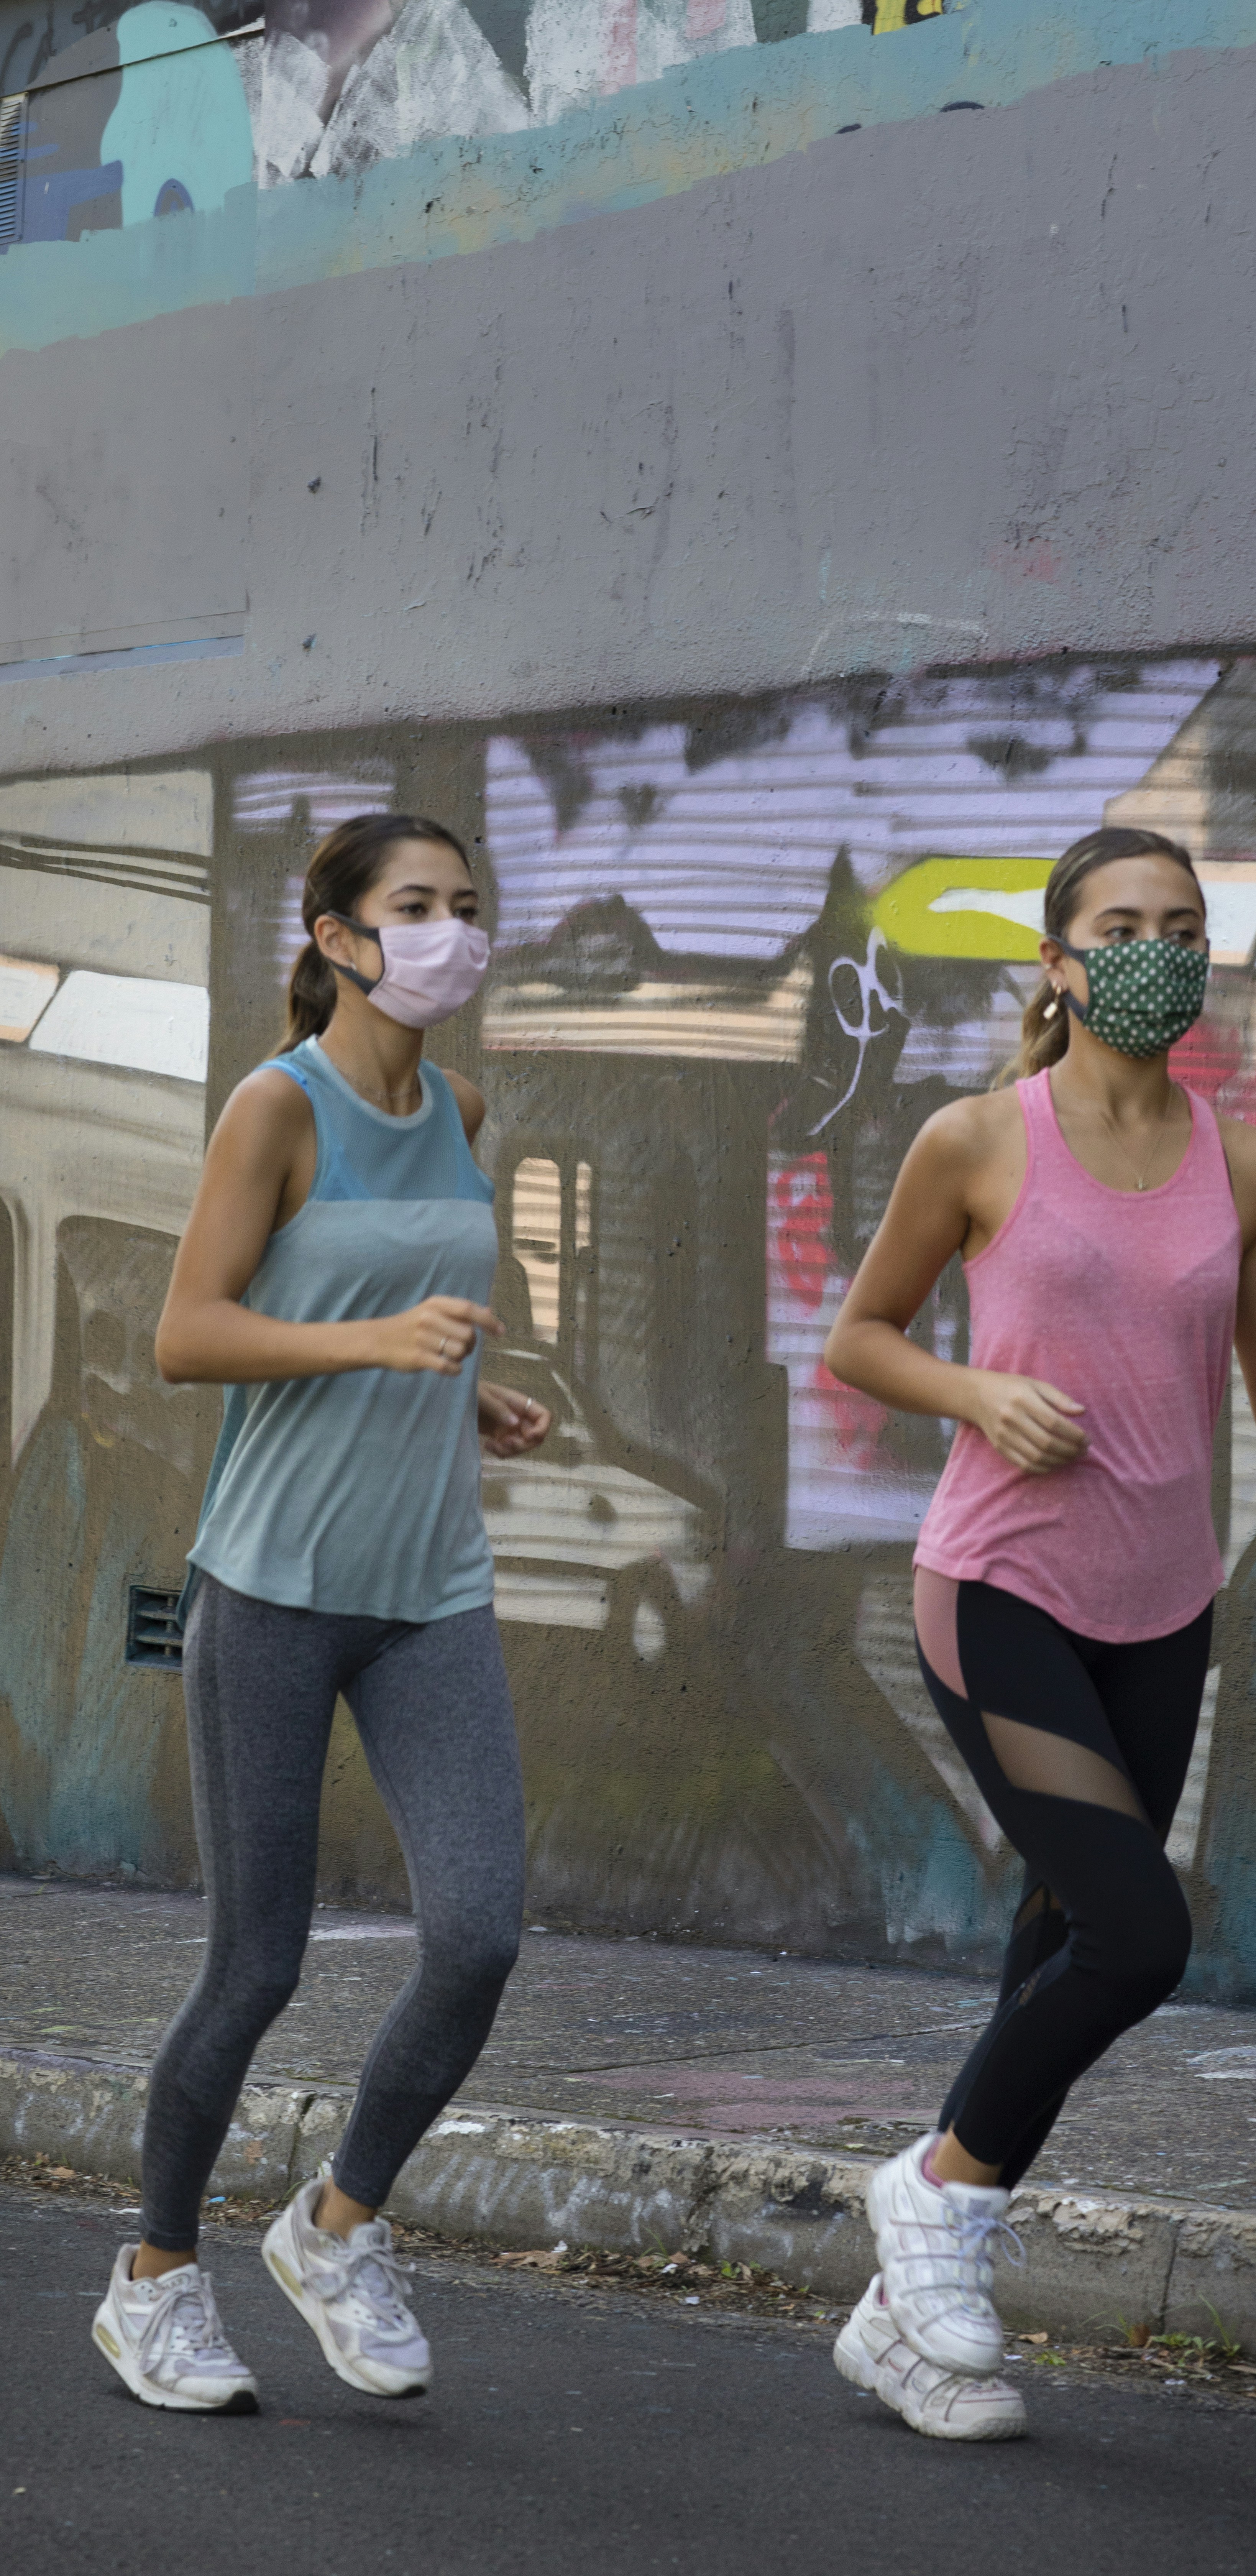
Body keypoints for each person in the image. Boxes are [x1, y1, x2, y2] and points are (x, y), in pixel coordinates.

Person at [823, 826, 1256, 2441]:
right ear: (1059, 966)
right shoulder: (975, 1141)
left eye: (1184, 926)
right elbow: (861, 1338)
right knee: (1137, 1937)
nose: (1159, 949)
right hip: (999, 1585)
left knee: (1059, 1942)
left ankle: (902, 2323)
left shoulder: (1253, 1163)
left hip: (1163, 1606)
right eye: (1123, 925)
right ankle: (933, 2195)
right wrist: (976, 1391)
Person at [92, 812, 550, 2413]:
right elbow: (191, 1334)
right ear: (340, 935)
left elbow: (416, 1311)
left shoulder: (464, 1106)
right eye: (414, 906)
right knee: (257, 1965)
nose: (448, 931)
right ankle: (153, 2280)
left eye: (466, 907)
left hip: (428, 1592)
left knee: (481, 1931)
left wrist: (475, 1394)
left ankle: (334, 2225)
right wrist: (376, 1350)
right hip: (273, 1591)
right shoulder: (276, 1108)